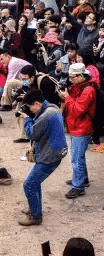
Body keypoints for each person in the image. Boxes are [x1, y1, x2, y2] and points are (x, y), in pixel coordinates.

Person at [19, 90, 67, 226]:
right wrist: (31, 114)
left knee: (29, 184)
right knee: (35, 182)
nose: (30, 110)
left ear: (37, 104)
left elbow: (32, 134)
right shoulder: (52, 107)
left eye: (30, 107)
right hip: (54, 152)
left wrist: (27, 117)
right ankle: (35, 209)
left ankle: (36, 216)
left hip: (49, 156)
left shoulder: (45, 115)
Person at [62, 63, 97, 199]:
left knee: (76, 159)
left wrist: (67, 97)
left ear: (81, 76)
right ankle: (83, 179)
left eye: (73, 77)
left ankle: (78, 187)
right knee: (79, 156)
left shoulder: (88, 90)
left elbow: (78, 110)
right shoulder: (82, 87)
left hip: (81, 127)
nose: (70, 80)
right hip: (78, 126)